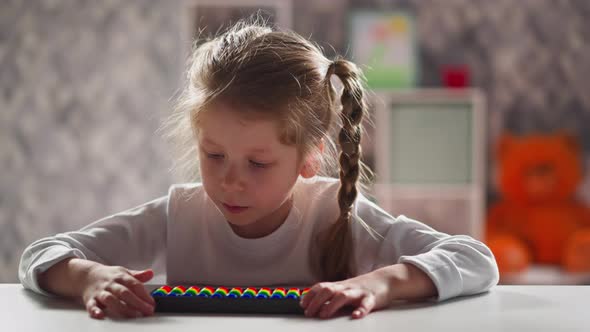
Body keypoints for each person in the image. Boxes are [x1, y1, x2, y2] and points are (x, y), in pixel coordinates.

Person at [18, 19, 498, 321]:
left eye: (258, 163)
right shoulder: (180, 213)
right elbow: (42, 253)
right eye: (214, 155)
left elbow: (476, 260)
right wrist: (87, 278)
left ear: (309, 156)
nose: (231, 180)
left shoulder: (335, 213)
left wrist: (382, 282)